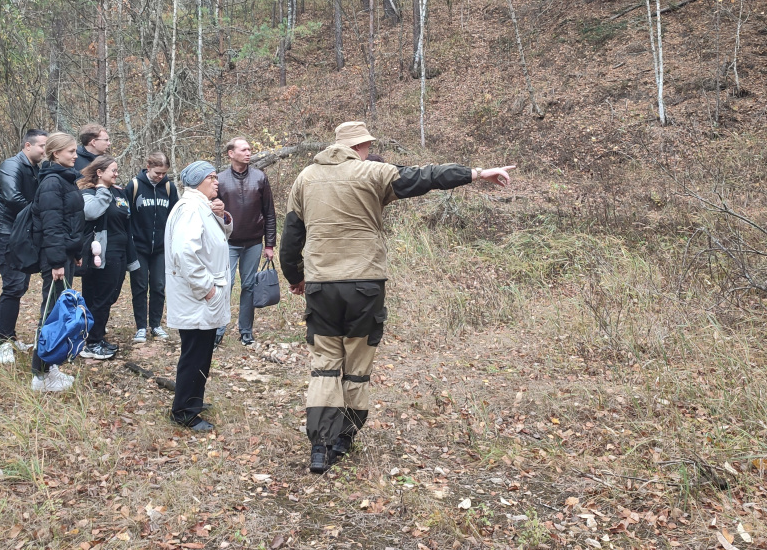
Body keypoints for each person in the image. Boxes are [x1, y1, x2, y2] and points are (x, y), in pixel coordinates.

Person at [280, 121, 515, 473]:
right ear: (361, 145)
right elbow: (427, 177)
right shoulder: (374, 172)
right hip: (365, 284)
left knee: (325, 364)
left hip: (322, 285)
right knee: (356, 364)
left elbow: (290, 238)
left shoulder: (305, 178)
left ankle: (320, 448)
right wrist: (477, 173)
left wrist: (296, 277)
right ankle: (344, 437)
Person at [165, 161, 233, 431]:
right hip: (197, 296)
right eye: (211, 177)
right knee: (194, 354)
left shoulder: (203, 206)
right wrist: (207, 289)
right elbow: (184, 253)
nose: (217, 181)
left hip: (201, 297)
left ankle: (192, 400)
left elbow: (218, 237)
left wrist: (221, 214)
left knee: (201, 353)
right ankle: (184, 412)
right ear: (197, 181)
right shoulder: (191, 208)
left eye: (216, 176)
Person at [30, 132, 86, 392]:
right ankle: (39, 375)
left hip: (65, 255)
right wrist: (56, 262)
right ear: (56, 154)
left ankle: (51, 367)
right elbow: (51, 227)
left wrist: (75, 251)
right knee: (51, 313)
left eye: (75, 151)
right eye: (71, 151)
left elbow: (71, 220)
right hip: (55, 258)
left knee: (59, 312)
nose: (76, 155)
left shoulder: (66, 179)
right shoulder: (52, 183)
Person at [0, 129, 48, 364]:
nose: (45, 151)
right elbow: (13, 198)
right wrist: (41, 216)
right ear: (27, 146)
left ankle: (10, 336)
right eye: (42, 146)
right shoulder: (11, 166)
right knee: (14, 285)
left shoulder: (35, 169)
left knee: (20, 284)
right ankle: (2, 342)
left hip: (21, 233)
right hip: (5, 233)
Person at [215, 137, 276, 347]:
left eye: (250, 149)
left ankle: (246, 331)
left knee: (249, 286)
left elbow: (269, 213)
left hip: (253, 242)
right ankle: (217, 330)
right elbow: (211, 213)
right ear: (231, 154)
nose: (249, 152)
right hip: (228, 242)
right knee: (226, 284)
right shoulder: (220, 180)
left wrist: (269, 244)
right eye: (244, 149)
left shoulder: (260, 177)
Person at [77, 155, 139, 360]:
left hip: (120, 252)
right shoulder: (88, 193)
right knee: (98, 296)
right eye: (113, 170)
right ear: (99, 172)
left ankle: (97, 335)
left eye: (117, 170)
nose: (116, 173)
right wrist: (102, 190)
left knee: (110, 296)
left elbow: (126, 220)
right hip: (100, 253)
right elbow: (92, 213)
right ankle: (91, 342)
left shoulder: (119, 193)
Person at [125, 152, 179, 343]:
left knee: (158, 286)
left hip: (161, 248)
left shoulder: (169, 187)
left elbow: (175, 216)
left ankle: (155, 324)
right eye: (157, 172)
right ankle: (141, 327)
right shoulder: (134, 186)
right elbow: (126, 215)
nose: (160, 176)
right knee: (140, 287)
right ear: (148, 166)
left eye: (164, 173)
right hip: (138, 247)